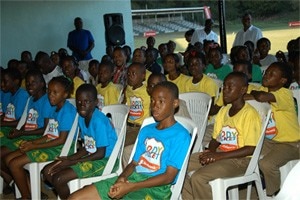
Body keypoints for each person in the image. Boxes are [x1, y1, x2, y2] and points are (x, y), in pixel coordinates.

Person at [68, 81, 191, 200]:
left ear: (175, 103)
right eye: (152, 100)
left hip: (156, 189)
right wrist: (122, 178)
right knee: (75, 197)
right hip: (133, 178)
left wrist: (131, 187)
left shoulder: (181, 135)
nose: (155, 106)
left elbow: (169, 177)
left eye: (161, 101)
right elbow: (134, 163)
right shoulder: (147, 130)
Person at [182, 72, 261, 199]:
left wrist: (218, 156)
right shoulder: (224, 111)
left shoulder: (249, 114)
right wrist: (210, 153)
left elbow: (251, 148)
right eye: (224, 87)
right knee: (180, 167)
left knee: (199, 177)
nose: (225, 90)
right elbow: (215, 139)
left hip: (241, 160)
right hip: (222, 154)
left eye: (230, 87)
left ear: (243, 90)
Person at [4, 76, 77, 199]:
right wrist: (31, 142)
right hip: (51, 143)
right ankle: (27, 194)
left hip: (61, 148)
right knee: (9, 158)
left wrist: (35, 145)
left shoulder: (67, 111)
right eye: (49, 92)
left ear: (65, 94)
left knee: (14, 163)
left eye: (55, 92)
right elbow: (49, 134)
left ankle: (26, 196)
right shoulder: (54, 108)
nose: (50, 95)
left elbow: (61, 140)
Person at [42, 84, 117, 199]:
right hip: (92, 155)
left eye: (87, 101)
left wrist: (73, 162)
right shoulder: (81, 117)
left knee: (58, 178)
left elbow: (100, 153)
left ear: (96, 102)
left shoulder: (99, 121)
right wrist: (70, 158)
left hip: (105, 161)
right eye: (79, 101)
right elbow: (87, 147)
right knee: (47, 171)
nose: (82, 105)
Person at [249, 62, 300, 197]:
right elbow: (243, 97)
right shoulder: (264, 89)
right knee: (248, 152)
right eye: (266, 72)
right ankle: (254, 192)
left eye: (272, 74)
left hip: (291, 143)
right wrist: (254, 92)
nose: (266, 76)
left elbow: (260, 97)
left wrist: (254, 92)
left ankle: (275, 195)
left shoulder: (285, 94)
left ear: (282, 81)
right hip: (270, 141)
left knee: (266, 164)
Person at [0, 69, 55, 194]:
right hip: (27, 135)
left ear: (42, 84)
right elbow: (27, 123)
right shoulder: (31, 99)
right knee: (6, 157)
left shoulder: (46, 101)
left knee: (8, 158)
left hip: (36, 138)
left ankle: (26, 191)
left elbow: (45, 130)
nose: (29, 85)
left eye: (33, 82)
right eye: (28, 83)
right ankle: (20, 184)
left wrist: (22, 133)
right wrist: (19, 131)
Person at [124, 62, 150, 146]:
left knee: (123, 144)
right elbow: (127, 105)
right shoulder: (128, 88)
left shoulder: (147, 90)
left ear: (143, 76)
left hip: (140, 127)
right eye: (128, 73)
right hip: (128, 125)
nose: (130, 76)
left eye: (133, 73)